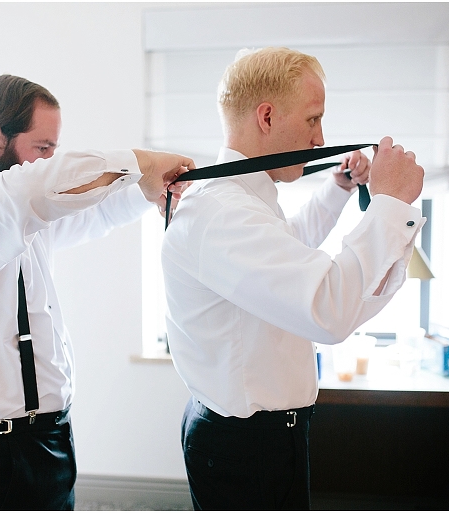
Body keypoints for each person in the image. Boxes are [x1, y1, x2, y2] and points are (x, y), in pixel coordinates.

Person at [0, 74, 192, 510]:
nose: (49, 161)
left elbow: (92, 214)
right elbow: (39, 187)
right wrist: (141, 162)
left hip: (50, 438)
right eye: (42, 148)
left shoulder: (25, 219)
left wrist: (145, 190)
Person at [161, 47, 425, 510]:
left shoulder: (242, 200)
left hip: (256, 438)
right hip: (247, 448)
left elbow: (288, 252)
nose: (321, 139)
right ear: (266, 116)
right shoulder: (224, 214)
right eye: (312, 120)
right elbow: (326, 309)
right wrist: (391, 205)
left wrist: (338, 189)